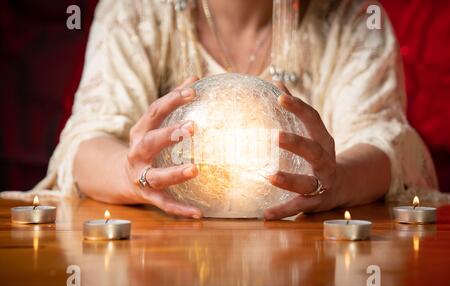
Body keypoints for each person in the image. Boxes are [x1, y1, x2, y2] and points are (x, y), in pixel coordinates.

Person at [1, 0, 440, 219]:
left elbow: (386, 142)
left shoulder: (356, 19)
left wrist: (338, 177)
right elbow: (86, 138)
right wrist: (128, 170)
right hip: (161, 266)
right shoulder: (135, 11)